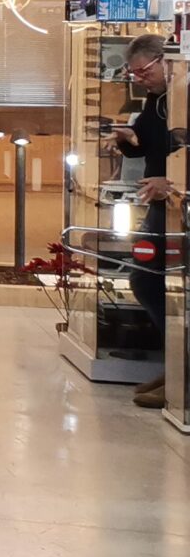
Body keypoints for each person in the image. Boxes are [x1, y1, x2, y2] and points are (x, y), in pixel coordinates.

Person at [107, 32, 179, 408]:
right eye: (133, 74)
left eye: (144, 71)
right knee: (144, 279)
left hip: (177, 201)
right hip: (162, 205)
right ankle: (177, 365)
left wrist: (174, 182)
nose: (139, 79)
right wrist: (126, 138)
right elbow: (150, 143)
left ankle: (182, 375)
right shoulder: (157, 99)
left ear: (166, 61)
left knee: (162, 284)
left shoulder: (182, 97)